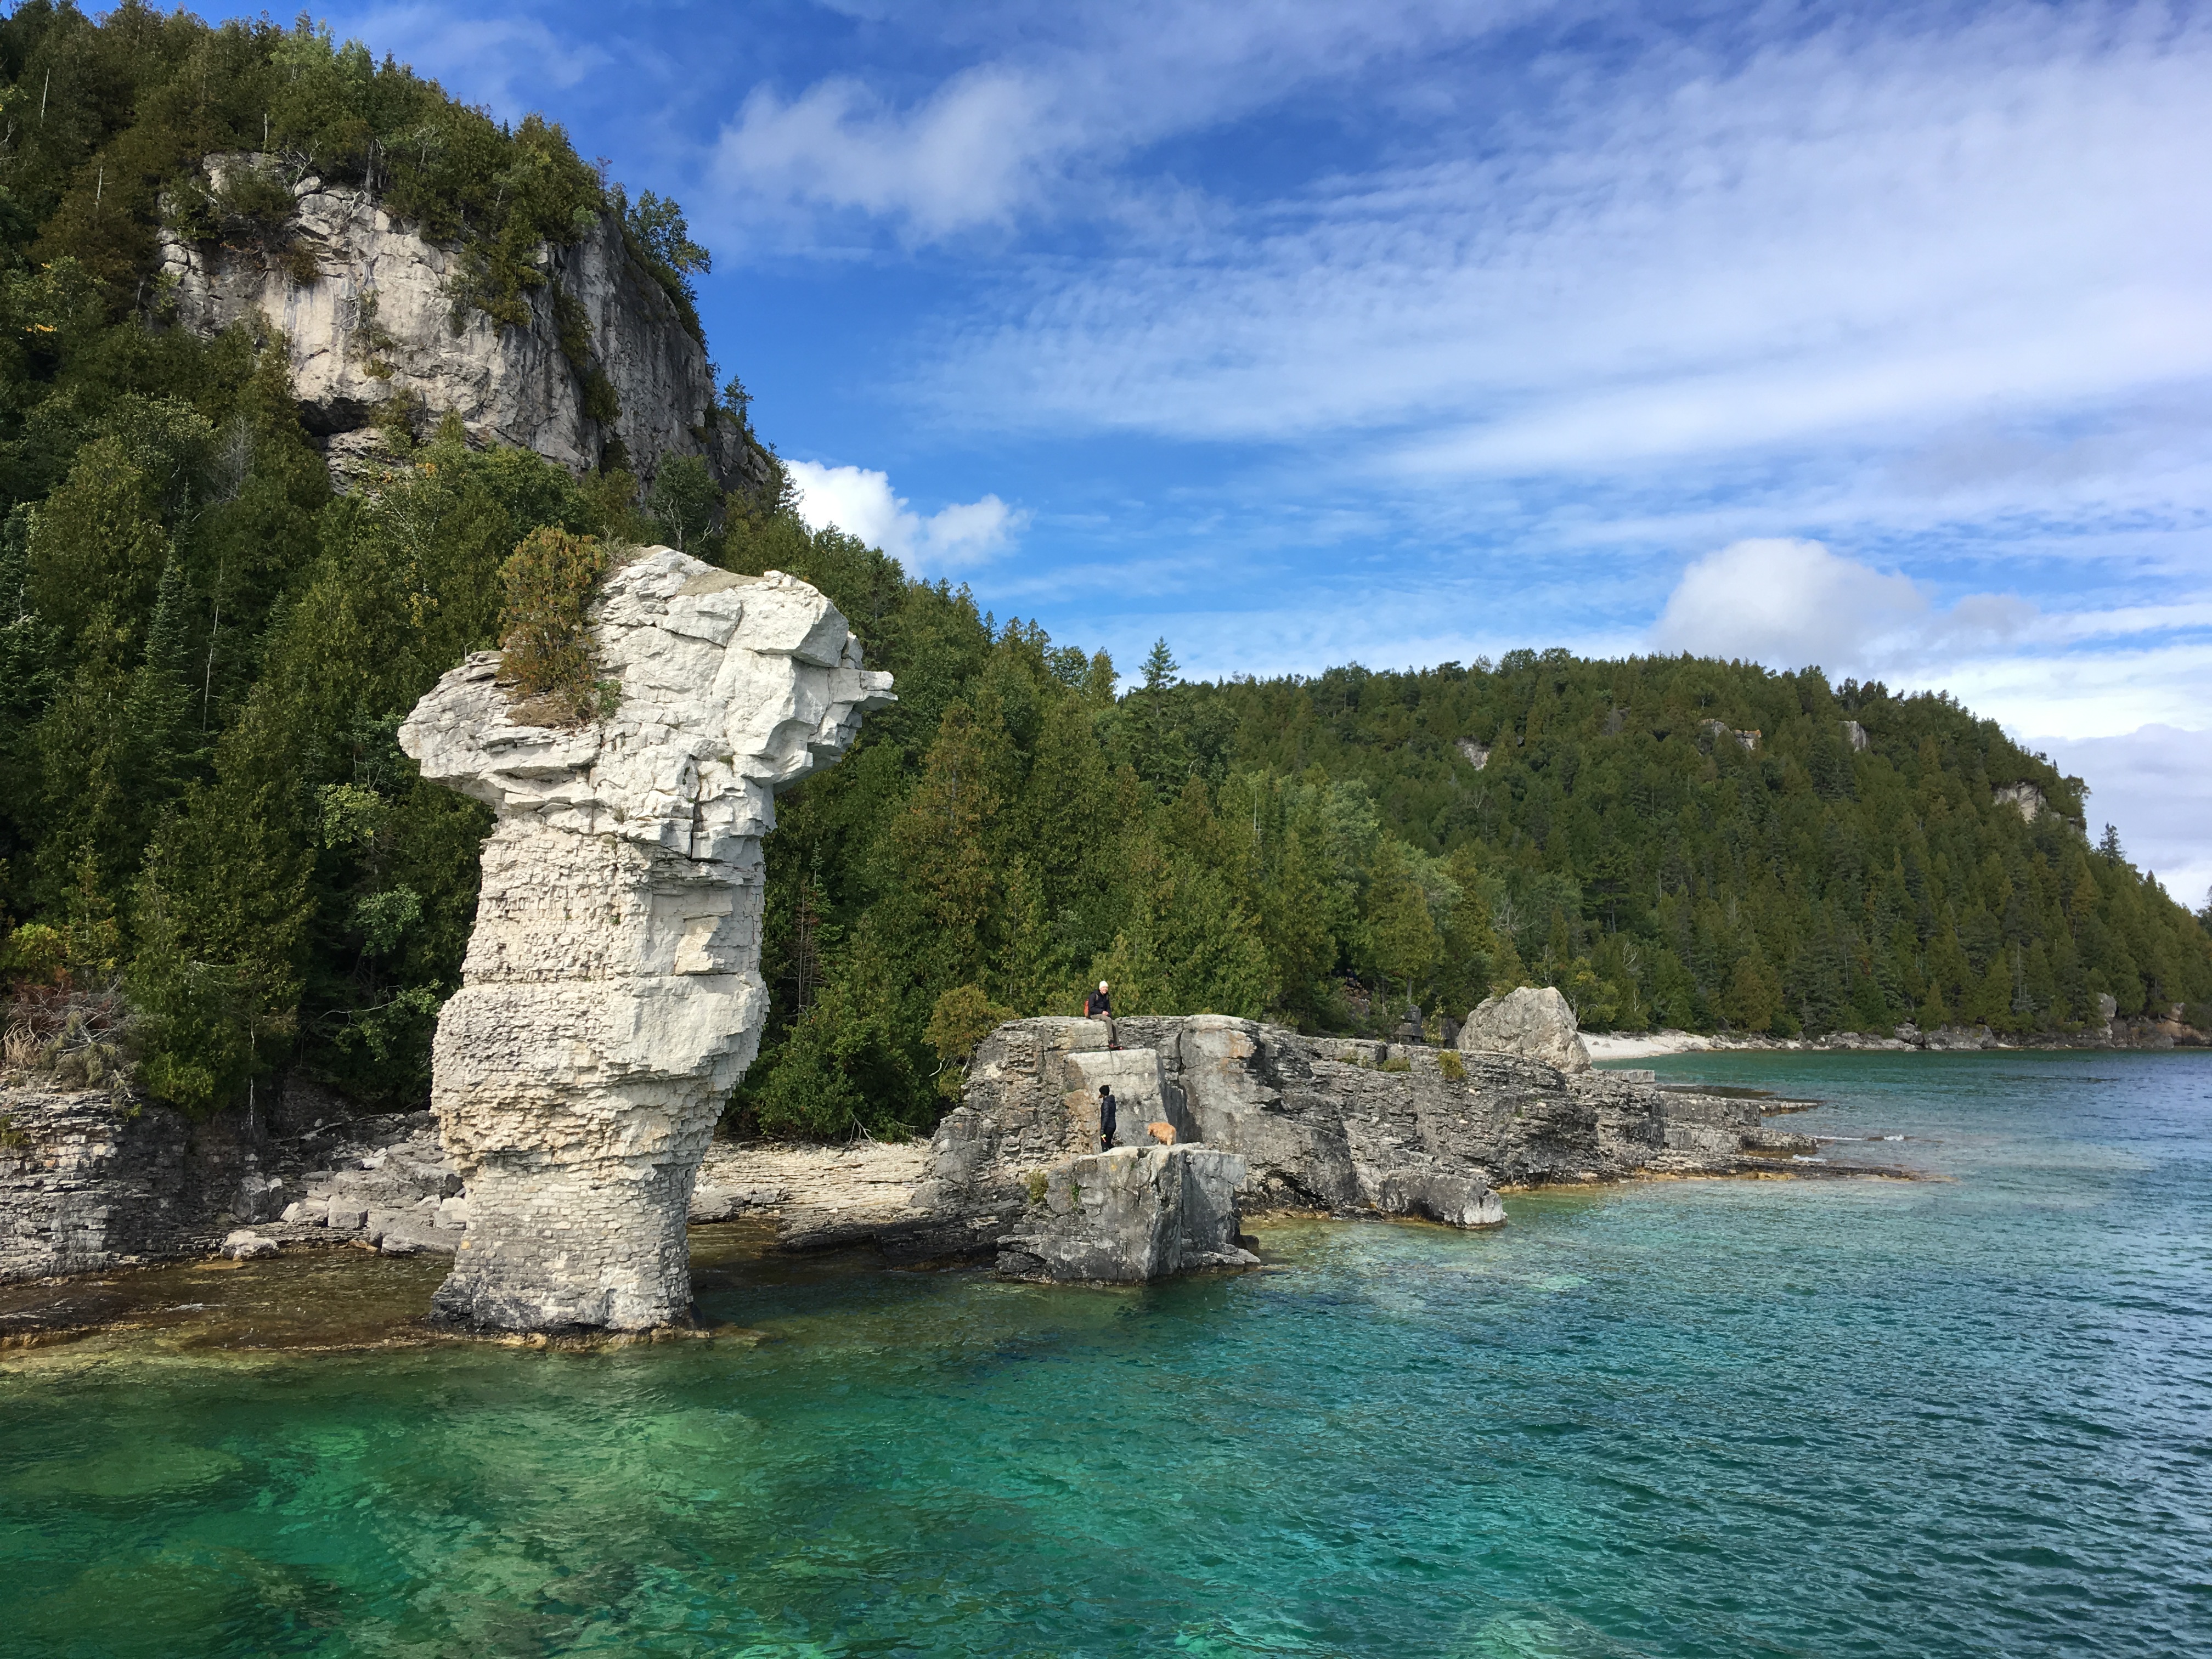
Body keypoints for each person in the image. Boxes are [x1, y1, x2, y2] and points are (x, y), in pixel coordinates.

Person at [1085, 980, 1118, 1049]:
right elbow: (1091, 1008)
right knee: (1108, 1020)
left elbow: (1108, 1008)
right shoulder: (1094, 995)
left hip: (1103, 1014)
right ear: (1100, 988)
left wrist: (1110, 1015)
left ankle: (1116, 1043)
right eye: (1104, 988)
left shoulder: (1106, 996)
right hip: (1094, 1014)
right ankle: (1111, 1041)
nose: (1105, 989)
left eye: (1106, 988)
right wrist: (1102, 1012)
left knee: (1115, 1024)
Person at [1097, 1084, 1119, 1152]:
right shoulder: (1112, 1101)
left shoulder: (1106, 1103)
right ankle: (1114, 1151)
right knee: (1108, 1143)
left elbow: (1105, 1117)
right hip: (1113, 1125)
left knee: (1104, 1142)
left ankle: (1105, 1158)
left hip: (1108, 1127)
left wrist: (1102, 1129)